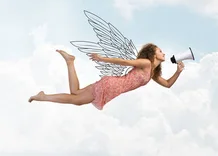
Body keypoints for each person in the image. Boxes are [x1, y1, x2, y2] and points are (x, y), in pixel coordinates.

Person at [28, 43, 185, 110]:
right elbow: (124, 62)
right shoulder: (145, 63)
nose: (163, 53)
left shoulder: (152, 73)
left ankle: (70, 62)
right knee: (75, 100)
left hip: (111, 86)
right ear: (152, 54)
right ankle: (43, 97)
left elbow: (167, 84)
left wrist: (178, 71)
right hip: (110, 86)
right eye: (160, 51)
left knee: (75, 93)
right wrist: (102, 58)